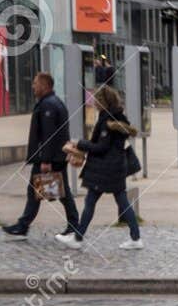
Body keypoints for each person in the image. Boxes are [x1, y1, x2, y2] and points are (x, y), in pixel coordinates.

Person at [56, 84, 140, 251]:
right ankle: (136, 238)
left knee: (91, 202)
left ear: (103, 102)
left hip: (105, 169)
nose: (93, 102)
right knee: (121, 202)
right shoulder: (116, 118)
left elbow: (101, 147)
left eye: (96, 100)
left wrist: (80, 143)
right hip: (115, 168)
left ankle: (78, 238)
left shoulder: (106, 122)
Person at [3, 71, 78, 240]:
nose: (33, 86)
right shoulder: (51, 102)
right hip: (54, 157)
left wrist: (45, 160)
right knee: (43, 192)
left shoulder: (48, 105)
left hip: (50, 159)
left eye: (35, 83)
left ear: (44, 86)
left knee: (59, 193)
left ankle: (73, 226)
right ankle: (23, 226)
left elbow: (49, 135)